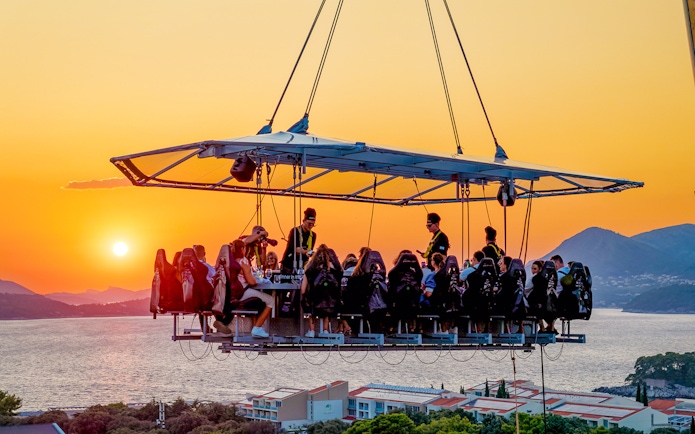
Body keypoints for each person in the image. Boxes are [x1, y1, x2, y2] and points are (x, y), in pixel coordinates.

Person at [230, 239, 275, 338]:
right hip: (243, 292)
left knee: (260, 300)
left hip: (232, 294)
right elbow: (252, 282)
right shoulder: (243, 261)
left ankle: (258, 326)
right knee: (271, 300)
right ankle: (257, 328)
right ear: (242, 249)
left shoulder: (231, 261)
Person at [300, 244, 342, 337]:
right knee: (326, 300)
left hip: (313, 303)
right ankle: (325, 330)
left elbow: (303, 290)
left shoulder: (310, 268)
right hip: (331, 304)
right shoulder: (334, 269)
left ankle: (311, 330)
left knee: (308, 300)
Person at [281, 207, 317, 273]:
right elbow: (296, 249)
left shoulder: (313, 235)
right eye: (309, 223)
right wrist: (307, 252)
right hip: (288, 267)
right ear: (303, 221)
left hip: (302, 267)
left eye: (313, 224)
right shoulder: (295, 231)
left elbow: (310, 250)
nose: (311, 226)